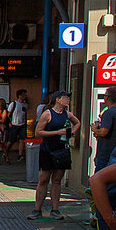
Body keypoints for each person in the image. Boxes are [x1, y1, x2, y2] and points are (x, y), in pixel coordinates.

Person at [29, 90, 80, 219]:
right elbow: (38, 132)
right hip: (48, 150)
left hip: (62, 150)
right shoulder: (47, 114)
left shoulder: (67, 114)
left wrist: (71, 132)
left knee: (57, 180)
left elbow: (78, 123)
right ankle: (37, 209)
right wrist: (57, 133)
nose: (68, 100)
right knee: (43, 179)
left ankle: (55, 209)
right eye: (66, 98)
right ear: (58, 99)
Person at [92, 86, 116, 172]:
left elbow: (103, 132)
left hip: (105, 153)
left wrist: (95, 129)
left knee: (98, 179)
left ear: (107, 97)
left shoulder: (108, 112)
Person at [7, 89, 29, 162]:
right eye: (23, 95)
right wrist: (9, 122)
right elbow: (9, 114)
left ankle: (20, 155)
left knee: (22, 140)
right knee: (11, 140)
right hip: (14, 124)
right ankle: (5, 151)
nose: (24, 96)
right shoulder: (13, 104)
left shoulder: (25, 105)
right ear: (19, 96)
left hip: (22, 124)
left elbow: (25, 114)